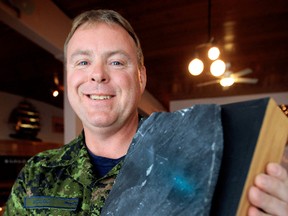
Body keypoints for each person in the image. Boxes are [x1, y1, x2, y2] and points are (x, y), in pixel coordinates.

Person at [4, 9, 288, 216]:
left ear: (141, 78)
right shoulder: (36, 176)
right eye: (82, 62)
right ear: (68, 78)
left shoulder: (197, 163)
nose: (98, 75)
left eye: (116, 62)